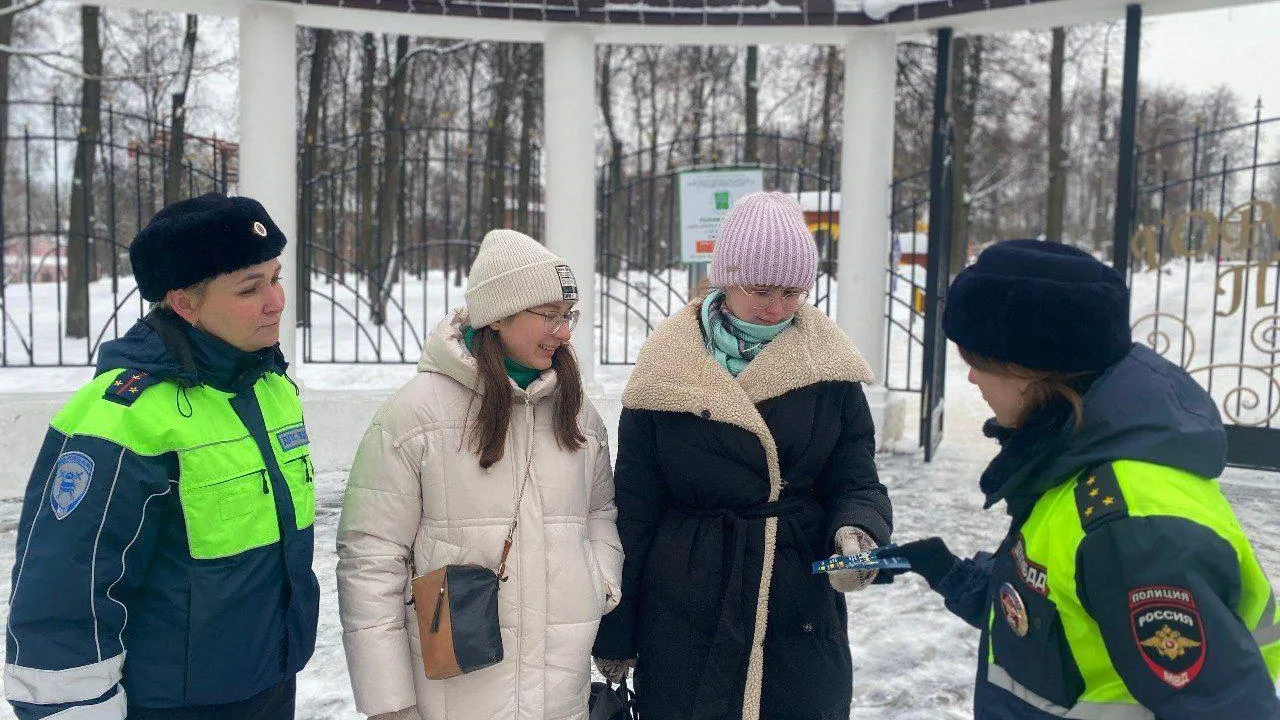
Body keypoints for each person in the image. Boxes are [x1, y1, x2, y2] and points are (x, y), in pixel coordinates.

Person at [885, 239, 1280, 719]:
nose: (972, 380)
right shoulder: (1076, 456)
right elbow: (1059, 614)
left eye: (978, 363)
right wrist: (950, 573)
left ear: (1029, 371)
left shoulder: (1132, 528)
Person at [4, 193, 319, 720]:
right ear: (184, 304)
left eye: (276, 277)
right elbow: (66, 591)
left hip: (269, 683)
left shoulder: (270, 387)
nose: (277, 301)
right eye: (250, 288)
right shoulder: (121, 416)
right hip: (170, 705)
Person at [591, 192, 893, 720]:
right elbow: (634, 512)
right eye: (761, 289)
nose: (776, 307)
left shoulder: (831, 370)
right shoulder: (666, 370)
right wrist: (618, 631)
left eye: (792, 291)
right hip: (686, 600)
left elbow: (856, 479)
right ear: (724, 278)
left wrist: (856, 530)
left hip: (795, 600)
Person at [337, 229, 623, 720]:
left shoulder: (576, 413)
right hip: (453, 698)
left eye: (568, 316)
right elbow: (370, 558)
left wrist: (597, 580)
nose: (564, 331)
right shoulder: (415, 416)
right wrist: (389, 703)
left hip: (559, 692)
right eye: (549, 316)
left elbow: (599, 511)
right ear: (499, 316)